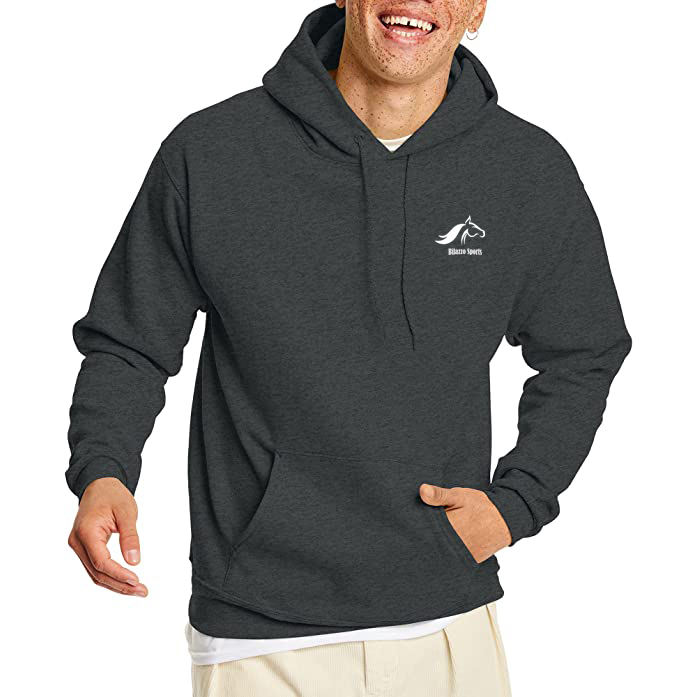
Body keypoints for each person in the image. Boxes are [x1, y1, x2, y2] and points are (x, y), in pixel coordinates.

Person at [66, 2, 631, 695]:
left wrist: (518, 503)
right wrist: (103, 469)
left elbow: (582, 350)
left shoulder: (525, 170)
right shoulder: (212, 152)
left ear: (476, 8)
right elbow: (129, 340)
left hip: (448, 618)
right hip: (258, 633)